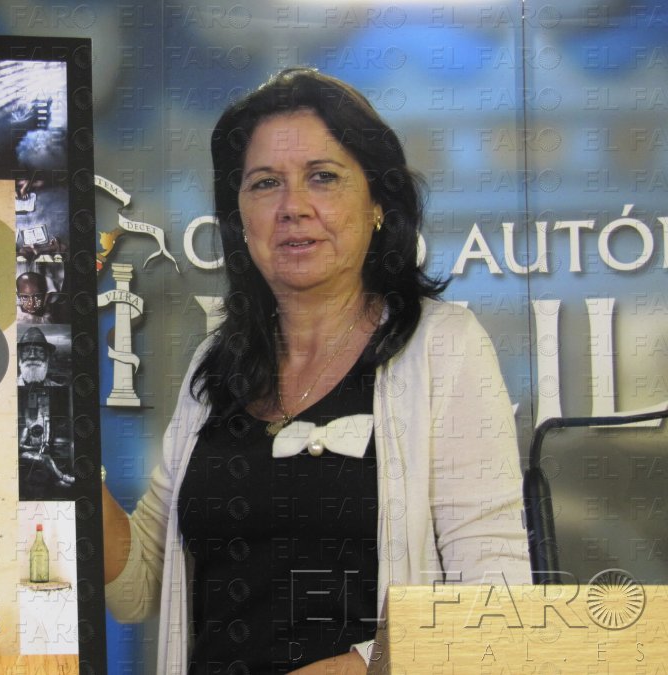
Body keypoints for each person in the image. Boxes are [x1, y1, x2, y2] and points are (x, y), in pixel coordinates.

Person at [102, 68, 530, 675]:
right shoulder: (216, 366)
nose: (293, 207)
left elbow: (496, 600)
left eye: (323, 177)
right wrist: (60, 456)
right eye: (265, 183)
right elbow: (139, 585)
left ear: (378, 203)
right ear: (239, 217)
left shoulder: (444, 347)